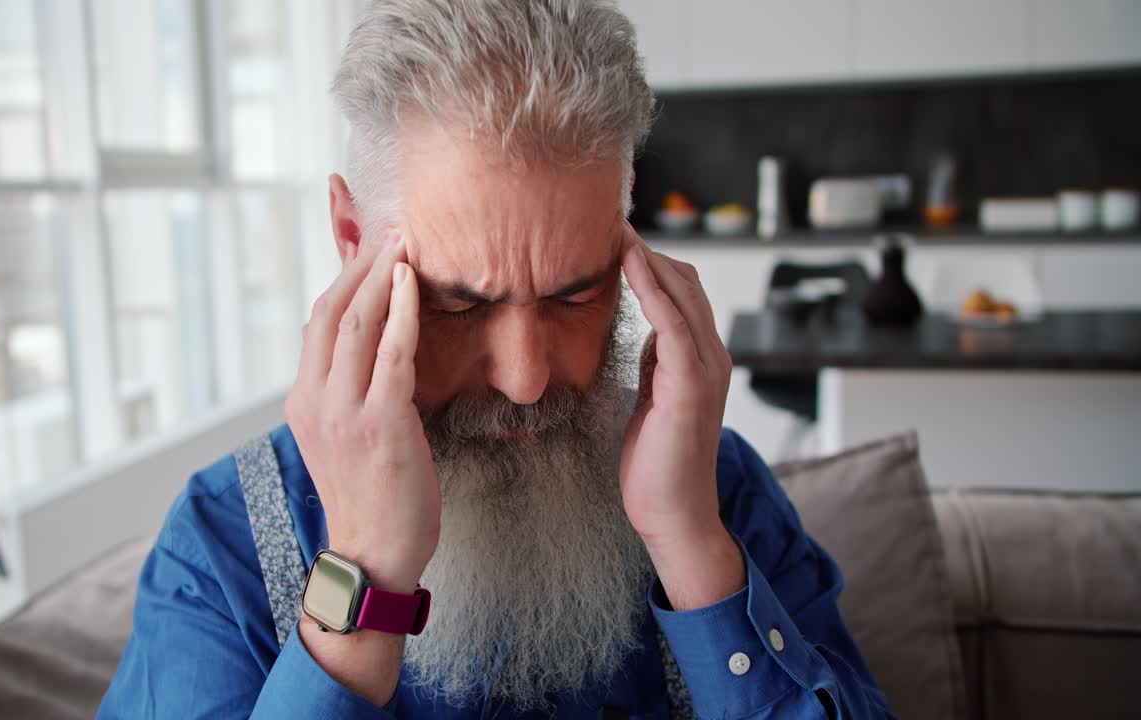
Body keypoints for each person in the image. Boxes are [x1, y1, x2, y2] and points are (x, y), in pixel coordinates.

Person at [99, 1, 891, 717]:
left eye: (574, 297)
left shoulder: (716, 493)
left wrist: (688, 544)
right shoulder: (223, 544)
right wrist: (365, 581)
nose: (526, 378)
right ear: (352, 242)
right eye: (460, 304)